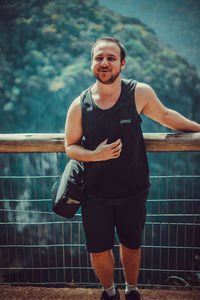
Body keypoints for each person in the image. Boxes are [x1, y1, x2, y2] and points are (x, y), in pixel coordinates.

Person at [64, 37, 200, 300]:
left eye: (111, 58)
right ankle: (109, 293)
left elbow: (168, 116)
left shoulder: (139, 93)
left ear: (122, 64)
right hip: (94, 193)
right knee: (99, 249)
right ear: (92, 63)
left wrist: (199, 129)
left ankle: (132, 291)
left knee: (131, 244)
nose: (104, 63)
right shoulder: (78, 105)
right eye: (99, 58)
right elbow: (70, 146)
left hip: (134, 190)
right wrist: (95, 154)